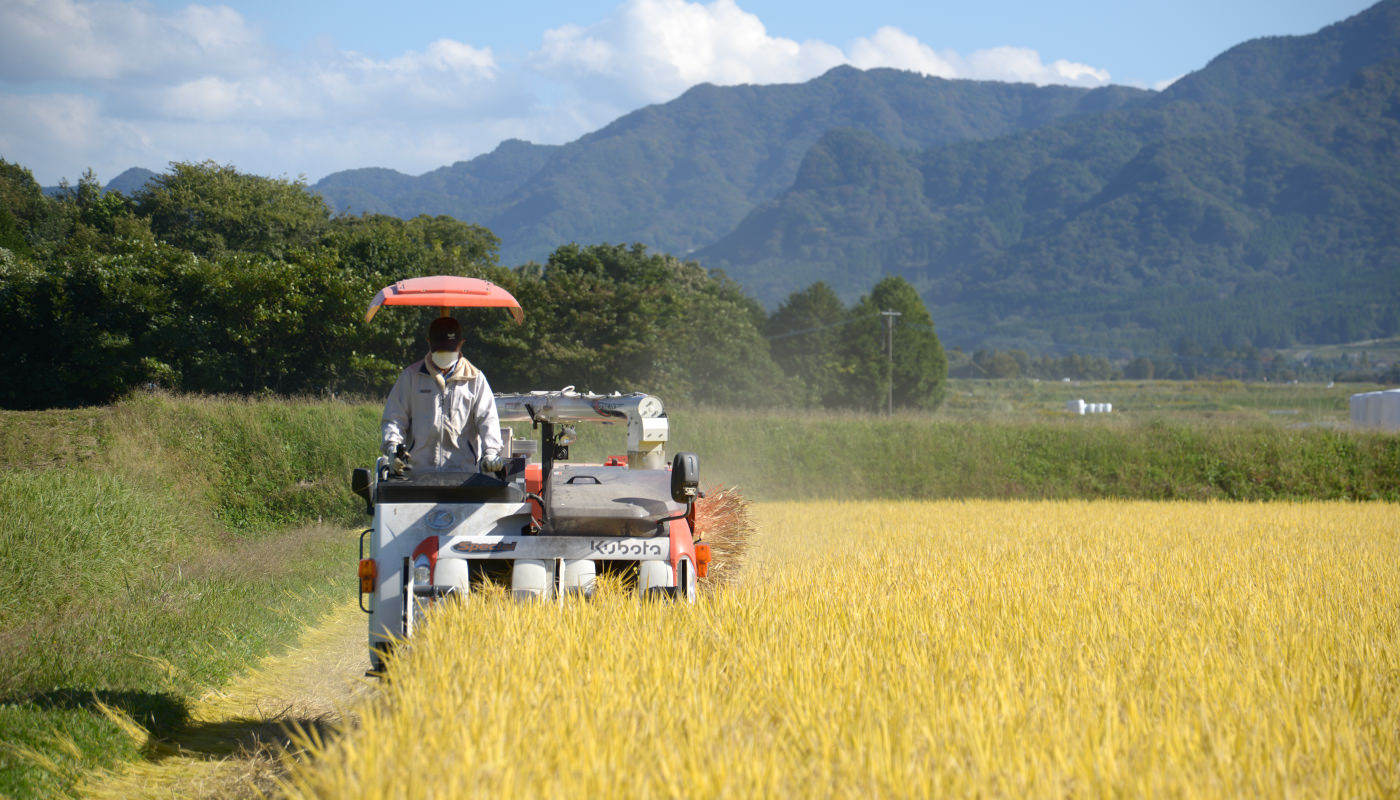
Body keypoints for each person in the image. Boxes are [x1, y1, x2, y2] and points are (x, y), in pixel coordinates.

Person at [381, 315, 505, 475]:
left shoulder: (475, 379)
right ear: (428, 342)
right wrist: (392, 449)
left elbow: (488, 421)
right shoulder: (411, 377)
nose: (444, 354)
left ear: (461, 344)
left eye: (449, 349)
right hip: (418, 475)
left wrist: (491, 453)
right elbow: (394, 418)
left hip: (463, 477)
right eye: (440, 349)